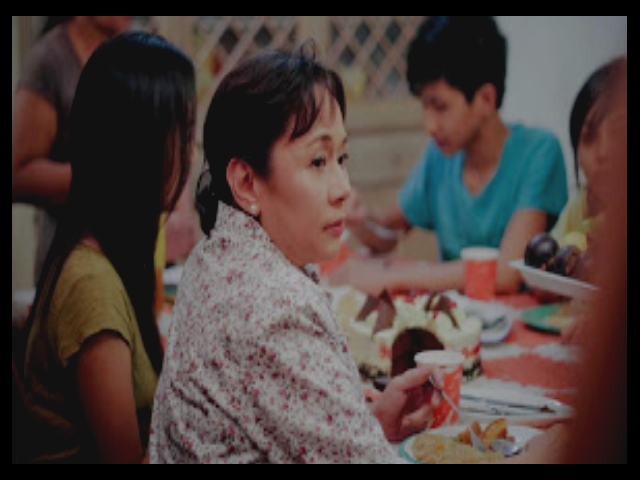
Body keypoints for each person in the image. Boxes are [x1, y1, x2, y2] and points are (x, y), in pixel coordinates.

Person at [149, 41, 445, 464]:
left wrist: (365, 428)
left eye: (342, 158)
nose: (343, 189)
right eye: (318, 162)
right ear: (247, 183)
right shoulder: (274, 311)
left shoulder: (214, 254)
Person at [18, 31, 196, 464]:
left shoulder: (113, 255)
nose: (192, 154)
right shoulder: (91, 286)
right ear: (140, 148)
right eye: (185, 134)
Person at [328, 16, 568, 296]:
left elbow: (506, 273)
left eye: (440, 107)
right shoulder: (441, 155)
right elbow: (390, 234)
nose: (429, 125)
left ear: (486, 99)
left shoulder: (539, 152)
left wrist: (392, 276)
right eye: (425, 106)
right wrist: (361, 218)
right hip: (461, 317)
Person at [12, 16, 134, 286]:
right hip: (73, 265)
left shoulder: (133, 50)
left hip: (129, 262)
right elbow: (18, 173)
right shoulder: (50, 60)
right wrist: (110, 178)